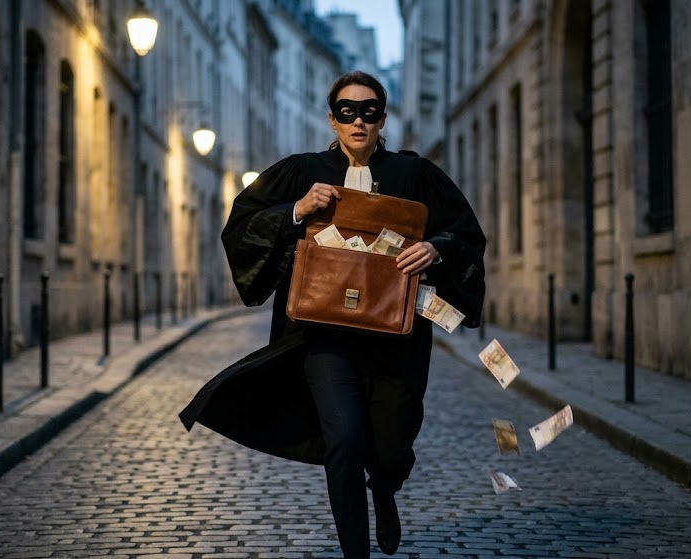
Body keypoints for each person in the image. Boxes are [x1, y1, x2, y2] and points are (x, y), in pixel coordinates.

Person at [180, 71, 487, 559]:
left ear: (382, 119)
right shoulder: (302, 171)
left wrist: (435, 248)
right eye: (347, 111)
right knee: (343, 440)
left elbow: (467, 234)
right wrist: (296, 210)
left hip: (397, 340)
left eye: (369, 111)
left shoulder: (415, 175)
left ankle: (383, 491)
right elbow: (243, 224)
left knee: (390, 447)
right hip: (323, 339)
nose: (358, 121)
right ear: (333, 118)